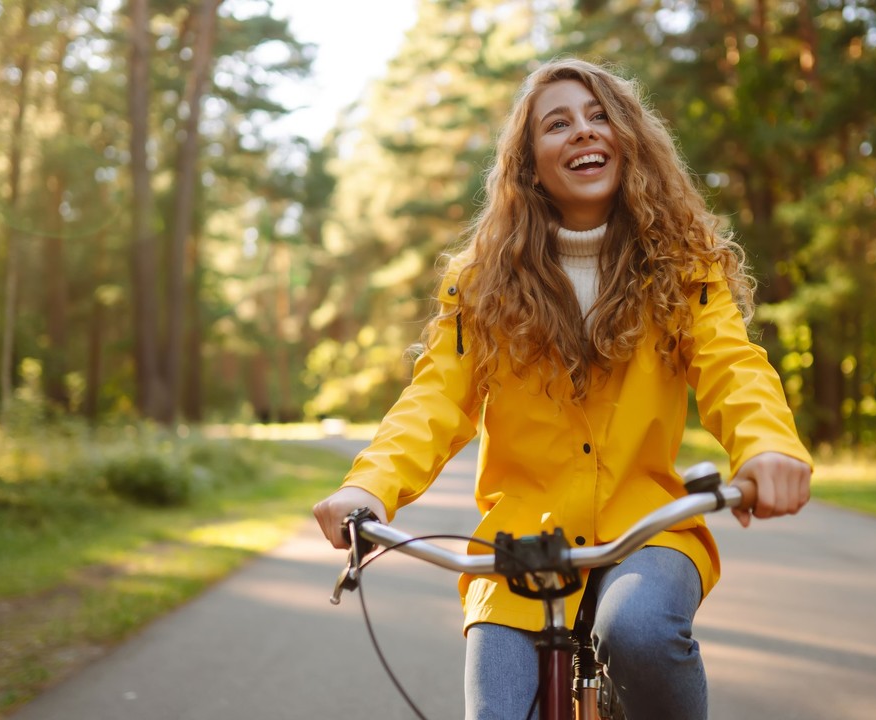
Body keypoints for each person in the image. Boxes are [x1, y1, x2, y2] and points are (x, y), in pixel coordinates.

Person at [313, 58, 812, 720]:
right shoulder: (481, 282)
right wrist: (368, 487)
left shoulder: (684, 267)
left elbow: (732, 365)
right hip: (520, 543)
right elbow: (435, 399)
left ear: (628, 138)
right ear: (529, 163)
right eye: (557, 123)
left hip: (647, 531)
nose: (582, 131)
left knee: (638, 631)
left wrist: (766, 448)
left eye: (598, 115)